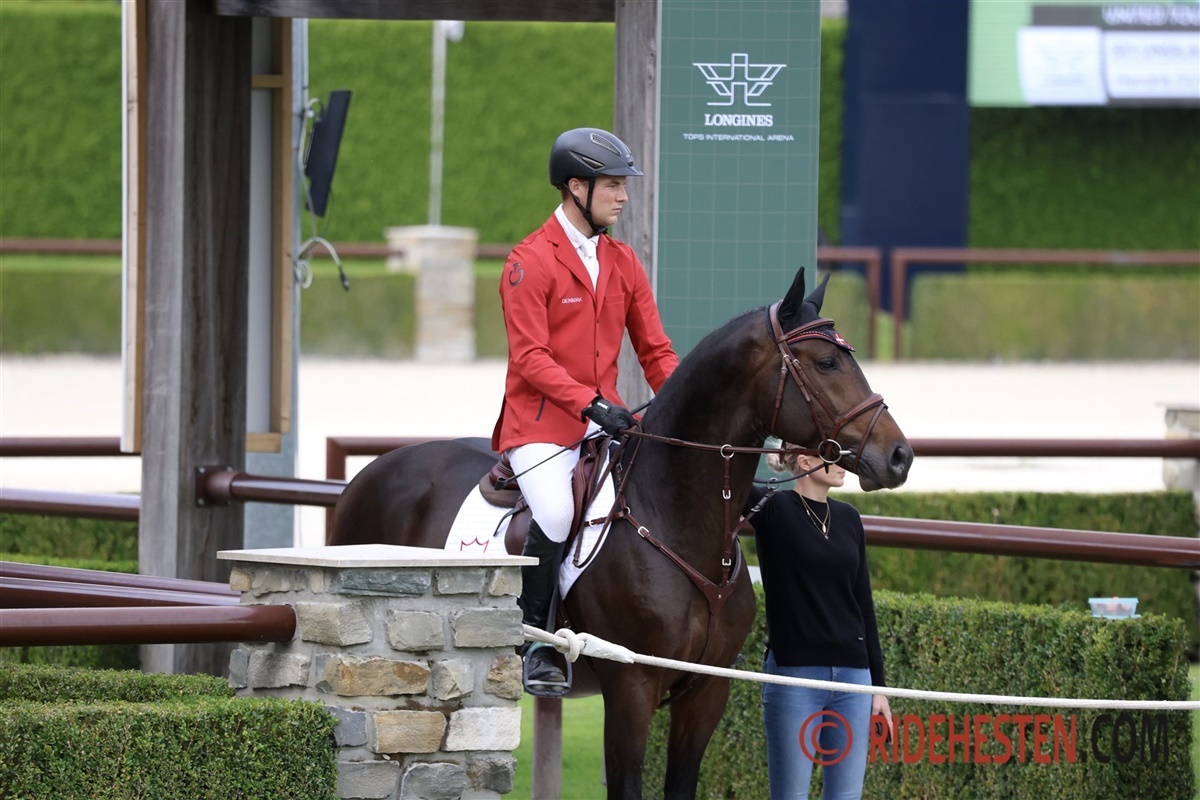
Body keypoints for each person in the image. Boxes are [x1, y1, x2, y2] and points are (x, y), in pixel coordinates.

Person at [491, 127, 679, 696]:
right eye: (613, 185)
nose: (623, 196)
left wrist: (681, 408)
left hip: (607, 421)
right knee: (554, 513)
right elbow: (530, 358)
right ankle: (536, 645)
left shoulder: (622, 260)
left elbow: (655, 351)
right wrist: (591, 405)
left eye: (623, 185)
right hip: (541, 426)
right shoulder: (529, 261)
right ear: (577, 187)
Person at [744, 446, 893, 799]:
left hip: (855, 682)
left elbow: (863, 604)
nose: (845, 464)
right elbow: (725, 465)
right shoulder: (772, 508)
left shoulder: (849, 518)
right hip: (795, 679)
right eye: (833, 454)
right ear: (805, 461)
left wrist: (879, 688)